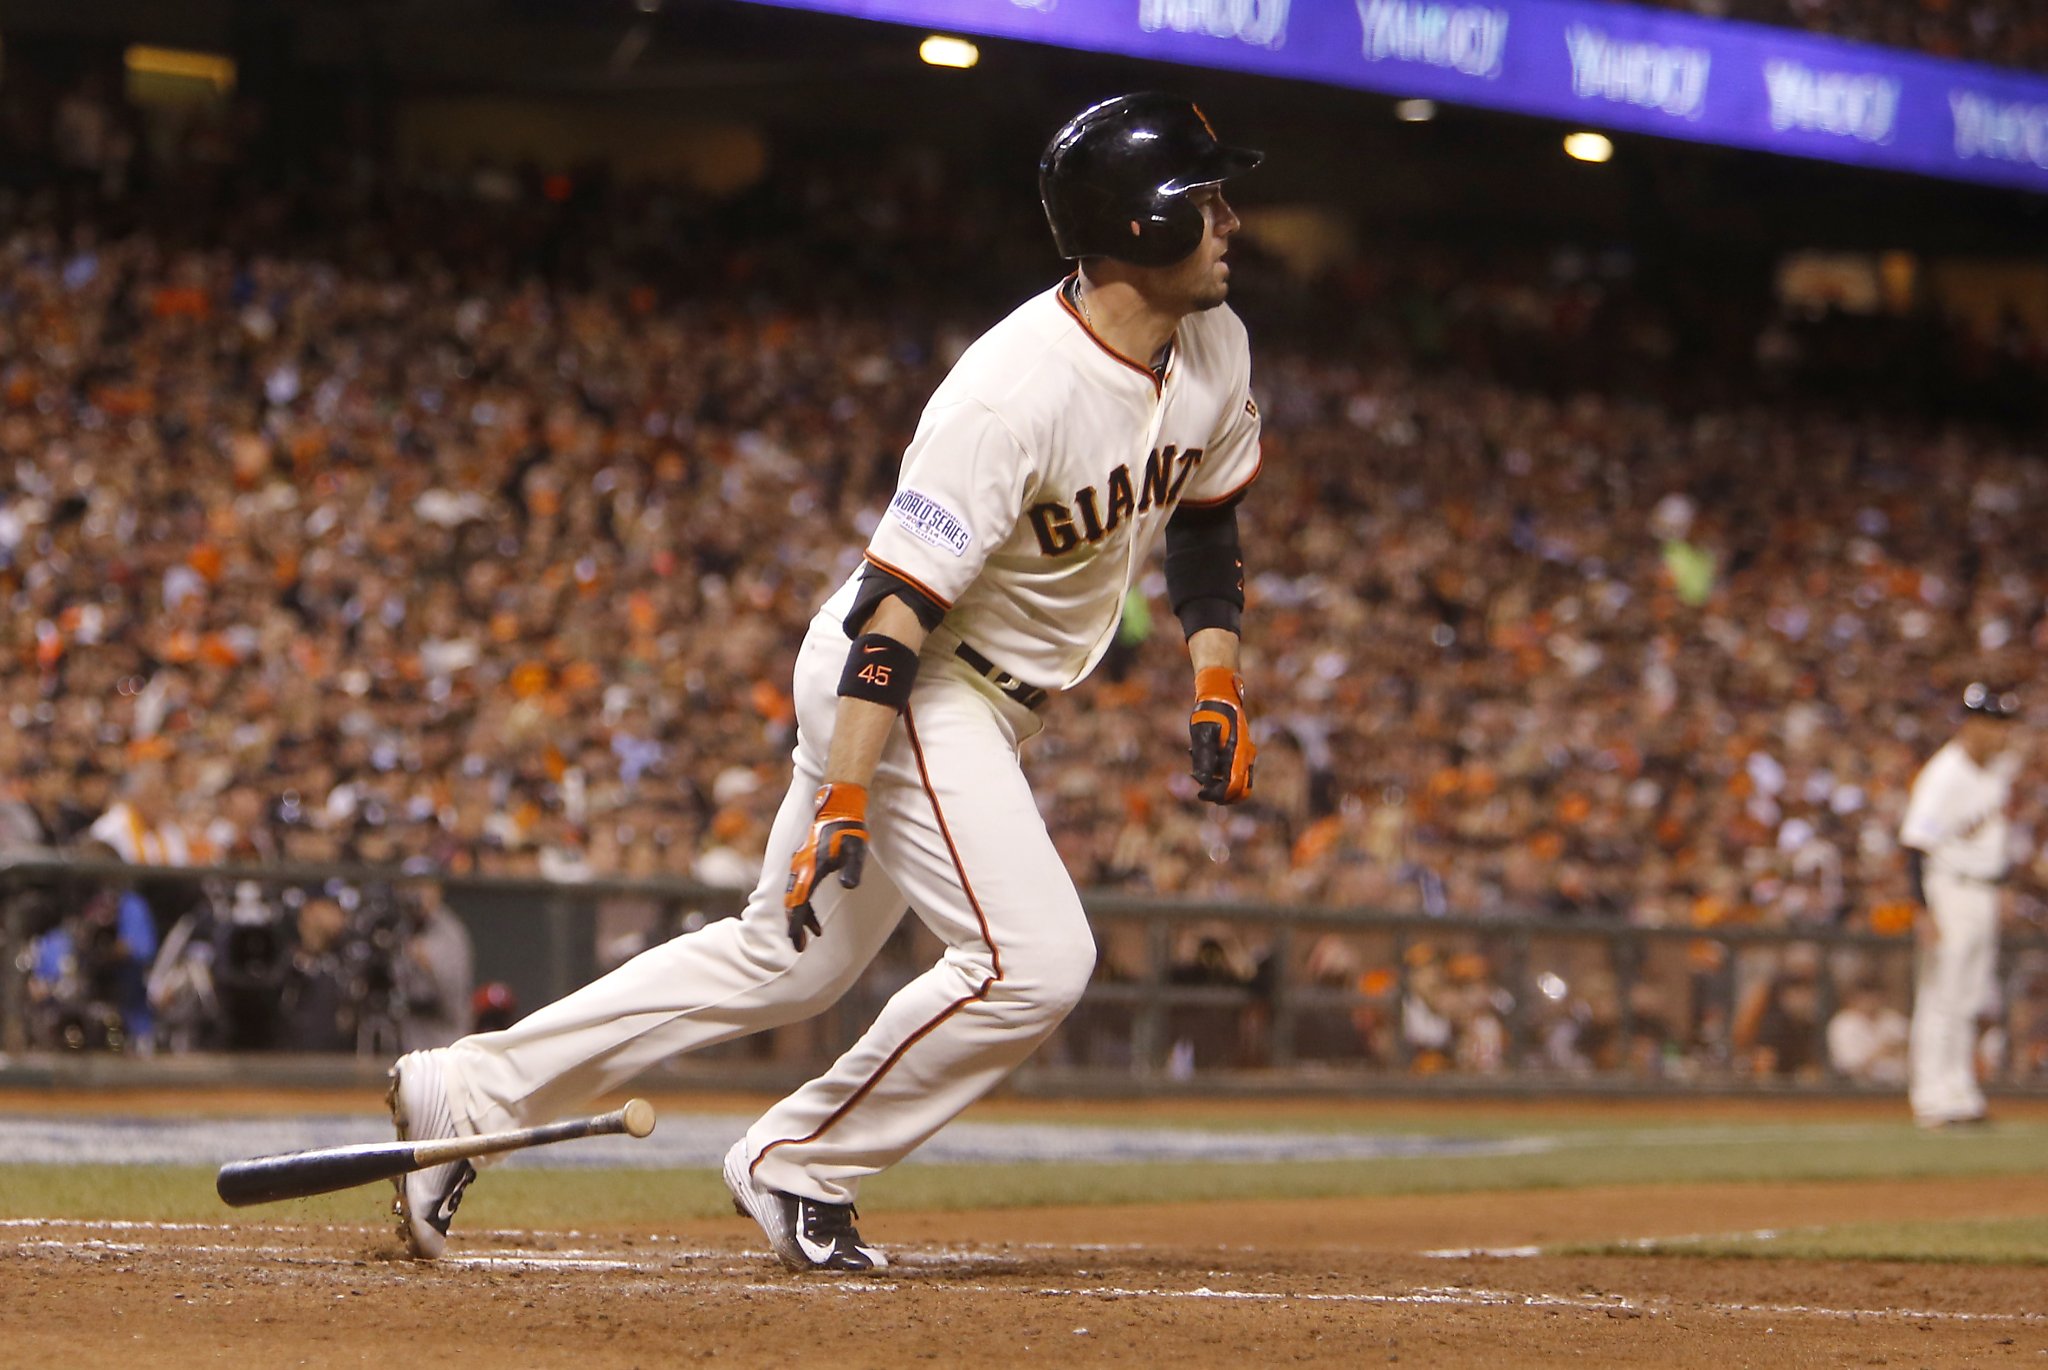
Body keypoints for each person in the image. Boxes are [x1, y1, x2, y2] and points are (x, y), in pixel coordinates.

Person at [384, 92, 1267, 1269]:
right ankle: (800, 1160)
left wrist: (1216, 682)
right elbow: (892, 615)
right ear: (1140, 226)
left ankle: (472, 1086)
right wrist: (848, 795)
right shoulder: (1011, 391)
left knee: (783, 956)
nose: (1230, 221)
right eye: (1204, 199)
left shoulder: (1214, 344)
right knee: (1036, 961)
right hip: (908, 684)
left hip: (989, 698)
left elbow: (1205, 527)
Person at [1898, 683, 2025, 1128]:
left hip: (1984, 890)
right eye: (1995, 724)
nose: (2003, 734)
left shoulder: (1996, 768)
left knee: (1970, 998)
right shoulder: (1944, 773)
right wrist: (1923, 909)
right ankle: (1932, 1098)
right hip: (1948, 890)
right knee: (1941, 996)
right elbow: (1915, 845)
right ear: (1971, 725)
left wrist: (2003, 885)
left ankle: (1961, 1093)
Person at [1826, 977, 1910, 1087]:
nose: (1871, 1002)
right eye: (1865, 997)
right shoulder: (1843, 1024)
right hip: (1857, 1090)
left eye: (1875, 996)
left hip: (1899, 1087)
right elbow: (1849, 1068)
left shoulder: (1894, 1020)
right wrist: (1881, 1052)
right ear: (1853, 998)